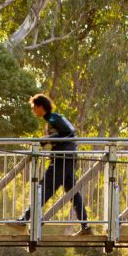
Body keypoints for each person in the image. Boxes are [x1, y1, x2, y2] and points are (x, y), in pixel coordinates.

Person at [19, 93, 89, 234]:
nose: (33, 111)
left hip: (61, 159)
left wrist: (46, 139)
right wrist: (47, 139)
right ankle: (85, 226)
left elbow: (68, 133)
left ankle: (25, 218)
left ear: (41, 106)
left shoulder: (52, 117)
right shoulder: (52, 118)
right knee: (73, 193)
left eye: (34, 107)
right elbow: (65, 134)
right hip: (67, 158)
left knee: (44, 188)